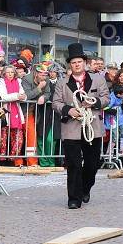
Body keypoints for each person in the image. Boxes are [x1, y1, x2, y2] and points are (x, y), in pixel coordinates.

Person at [52, 44, 107, 209]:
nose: (77, 64)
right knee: (74, 163)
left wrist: (93, 102)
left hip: (92, 126)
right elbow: (56, 103)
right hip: (71, 127)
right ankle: (74, 198)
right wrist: (69, 110)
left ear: (85, 63)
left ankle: (85, 188)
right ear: (70, 64)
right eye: (74, 62)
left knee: (93, 163)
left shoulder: (98, 79)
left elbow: (106, 99)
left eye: (80, 62)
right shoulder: (62, 83)